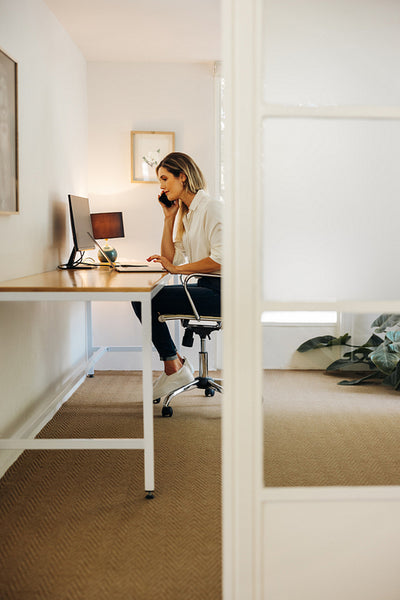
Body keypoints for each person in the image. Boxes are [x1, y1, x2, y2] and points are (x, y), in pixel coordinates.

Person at [132, 152, 222, 400]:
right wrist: (169, 219)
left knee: (146, 300)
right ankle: (174, 363)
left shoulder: (212, 208)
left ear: (182, 177)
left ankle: (174, 365)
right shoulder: (188, 213)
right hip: (206, 287)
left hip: (223, 292)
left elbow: (221, 260)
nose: (160, 186)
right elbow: (171, 260)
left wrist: (178, 270)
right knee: (146, 297)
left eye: (164, 179)